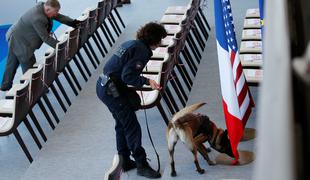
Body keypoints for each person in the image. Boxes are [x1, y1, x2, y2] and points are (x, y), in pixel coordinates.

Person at [96, 22, 167, 179]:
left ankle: (126, 161)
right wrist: (147, 81)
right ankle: (141, 164)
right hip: (112, 91)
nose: (161, 43)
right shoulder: (141, 51)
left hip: (104, 85)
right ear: (154, 39)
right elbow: (127, 76)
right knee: (132, 127)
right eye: (160, 39)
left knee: (122, 124)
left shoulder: (131, 43)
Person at [0, 0, 80, 91]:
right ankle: (35, 89)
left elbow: (59, 17)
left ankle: (5, 86)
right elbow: (45, 38)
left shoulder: (45, 7)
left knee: (12, 63)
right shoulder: (37, 18)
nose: (56, 14)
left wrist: (74, 23)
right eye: (55, 12)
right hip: (20, 40)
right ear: (47, 9)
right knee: (29, 64)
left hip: (18, 35)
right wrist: (62, 46)